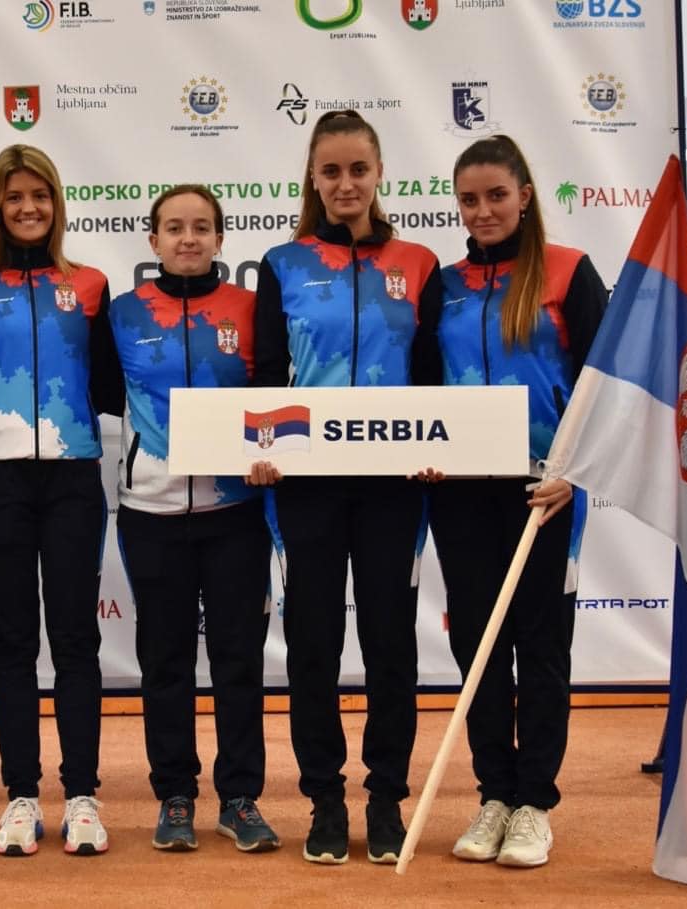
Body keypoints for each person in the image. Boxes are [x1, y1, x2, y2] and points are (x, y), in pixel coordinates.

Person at [249, 110, 443, 865]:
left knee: (391, 645)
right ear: (313, 177)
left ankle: (386, 799)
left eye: (358, 169)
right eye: (330, 171)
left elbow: (431, 377)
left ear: (379, 172)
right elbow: (267, 375)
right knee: (313, 648)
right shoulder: (282, 263)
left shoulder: (418, 263)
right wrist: (260, 449)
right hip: (308, 489)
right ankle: (325, 801)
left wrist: (437, 447)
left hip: (396, 488)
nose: (345, 184)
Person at [431, 134, 607, 868]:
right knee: (477, 649)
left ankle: (534, 802)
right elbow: (422, 389)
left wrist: (578, 472)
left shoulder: (569, 271)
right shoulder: (443, 283)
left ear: (525, 195)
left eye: (497, 195)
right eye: (469, 199)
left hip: (546, 492)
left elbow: (606, 387)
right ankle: (494, 796)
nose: (483, 210)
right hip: (460, 496)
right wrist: (425, 453)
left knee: (540, 647)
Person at [0, 145, 122, 856]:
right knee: (12, 642)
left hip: (75, 477)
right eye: (15, 195)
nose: (28, 207)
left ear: (57, 204)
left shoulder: (90, 285)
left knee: (76, 639)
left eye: (40, 195)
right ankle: (20, 795)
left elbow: (113, 387)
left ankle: (82, 795)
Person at [108, 184, 279, 853]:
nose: (188, 238)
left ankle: (240, 798)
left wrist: (268, 454)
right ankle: (174, 794)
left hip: (235, 510)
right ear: (153, 240)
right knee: (165, 661)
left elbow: (272, 395)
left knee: (239, 659)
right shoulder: (122, 312)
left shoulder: (249, 308)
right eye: (175, 227)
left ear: (219, 238)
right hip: (150, 510)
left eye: (201, 227)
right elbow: (102, 390)